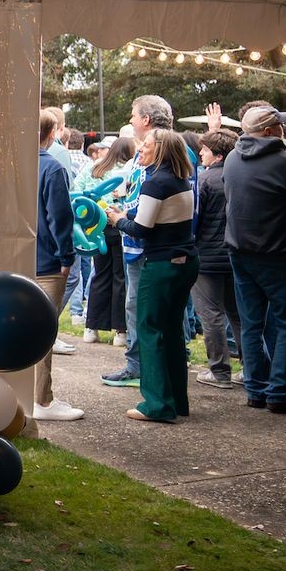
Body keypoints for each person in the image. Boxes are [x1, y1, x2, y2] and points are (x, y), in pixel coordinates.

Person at [223, 107, 286, 415]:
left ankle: (256, 389)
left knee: (252, 324)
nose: (283, 129)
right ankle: (280, 392)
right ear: (269, 131)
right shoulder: (283, 161)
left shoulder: (232, 158)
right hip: (279, 254)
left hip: (240, 252)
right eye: (279, 125)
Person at [107, 130, 198, 422]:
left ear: (159, 150)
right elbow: (157, 219)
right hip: (185, 262)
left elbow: (142, 231)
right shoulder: (179, 178)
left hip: (161, 266)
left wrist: (118, 220)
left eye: (145, 146)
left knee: (149, 329)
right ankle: (176, 401)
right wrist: (128, 215)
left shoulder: (155, 182)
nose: (140, 150)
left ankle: (157, 405)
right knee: (171, 330)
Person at [103, 95, 176, 389]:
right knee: (134, 307)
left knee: (153, 312)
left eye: (134, 115)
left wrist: (124, 219)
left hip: (153, 246)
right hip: (134, 243)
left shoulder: (169, 153)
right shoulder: (141, 154)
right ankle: (136, 364)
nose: (131, 120)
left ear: (146, 119)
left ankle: (154, 369)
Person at [34, 110, 84, 422]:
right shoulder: (51, 167)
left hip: (18, 257)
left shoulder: (11, 164)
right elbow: (60, 218)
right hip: (46, 261)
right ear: (52, 133)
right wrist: (67, 258)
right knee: (42, 333)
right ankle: (42, 399)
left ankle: (32, 395)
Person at [191, 130, 241, 388]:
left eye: (206, 149)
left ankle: (220, 371)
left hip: (208, 256)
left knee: (210, 315)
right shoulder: (237, 177)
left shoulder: (205, 179)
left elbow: (194, 220)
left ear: (217, 154)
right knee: (238, 314)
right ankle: (252, 369)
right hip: (234, 254)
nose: (201, 153)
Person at [78, 137, 134, 346]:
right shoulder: (127, 170)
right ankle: (121, 330)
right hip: (119, 225)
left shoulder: (93, 168)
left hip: (95, 227)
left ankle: (91, 327)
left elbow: (78, 190)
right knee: (120, 276)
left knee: (100, 275)